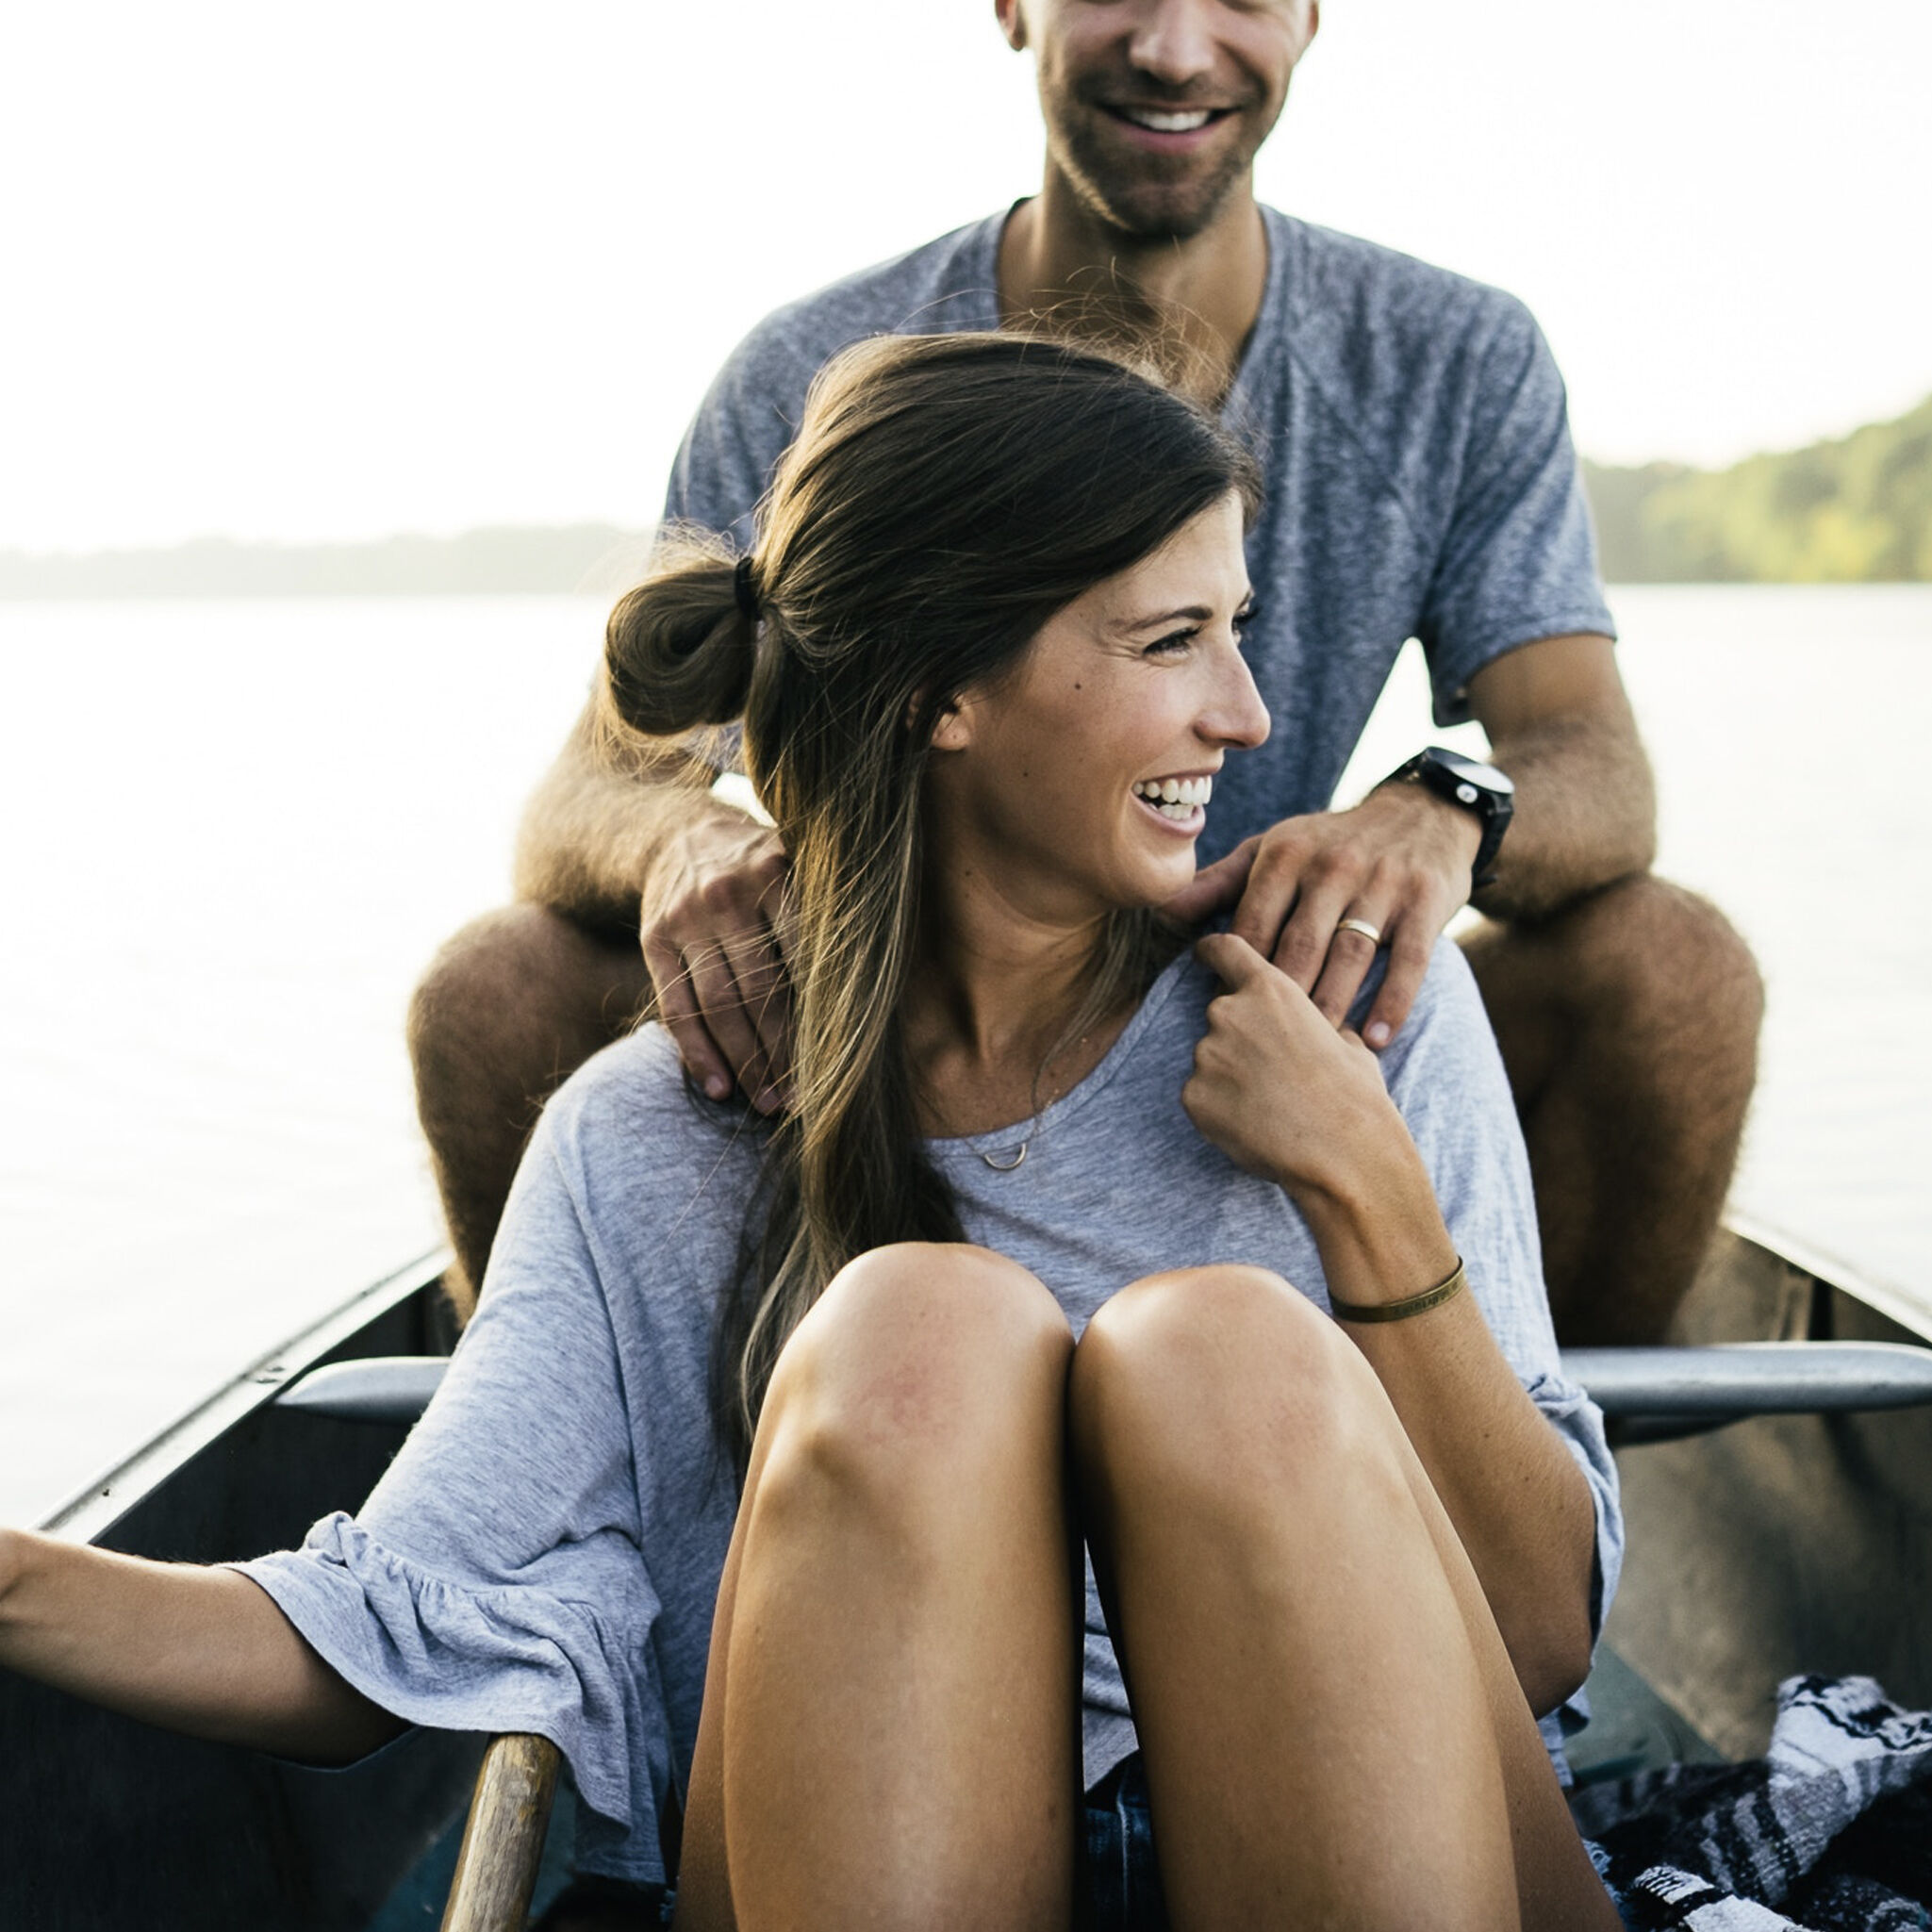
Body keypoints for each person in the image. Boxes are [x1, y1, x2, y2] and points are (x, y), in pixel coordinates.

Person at [0, 334, 1625, 1930]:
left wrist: (1370, 1201)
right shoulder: (648, 1131)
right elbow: (366, 1636)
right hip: (855, 1846)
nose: (1252, 716)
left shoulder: (1349, 1013)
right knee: (916, 1329)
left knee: (1221, 1349)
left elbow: (1541, 1635)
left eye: (1238, 630)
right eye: (1170, 642)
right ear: (942, 692)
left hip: (1343, 1841)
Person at [409, 0, 1763, 1346]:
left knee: (1673, 969)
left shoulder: (1455, 357)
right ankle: (583, 1483)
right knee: (494, 993)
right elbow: (595, 781)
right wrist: (678, 839)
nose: (1174, 48)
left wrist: (1437, 808)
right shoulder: (808, 367)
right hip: (895, 1015)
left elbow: (1589, 757)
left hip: (1266, 988)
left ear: (1309, 14)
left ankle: (1542, 1456)